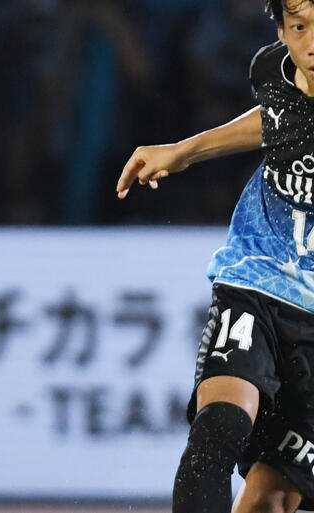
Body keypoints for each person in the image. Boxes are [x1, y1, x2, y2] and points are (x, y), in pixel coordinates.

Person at [117, 1, 314, 512]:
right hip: (257, 279)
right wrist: (183, 151)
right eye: (299, 27)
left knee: (271, 499)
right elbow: (278, 119)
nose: (312, 44)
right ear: (280, 30)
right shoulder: (271, 71)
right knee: (217, 430)